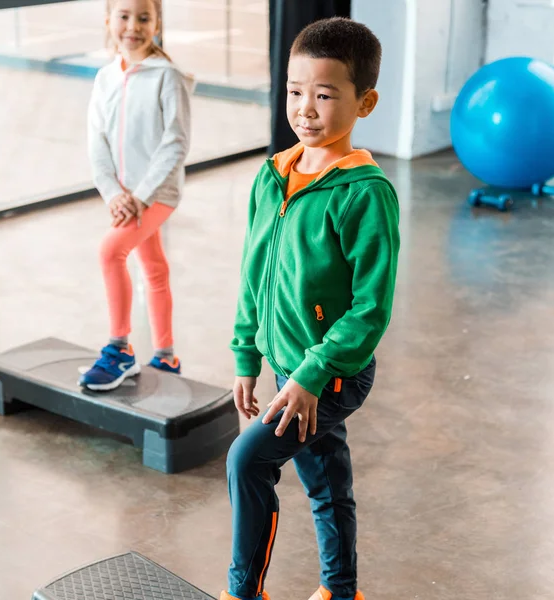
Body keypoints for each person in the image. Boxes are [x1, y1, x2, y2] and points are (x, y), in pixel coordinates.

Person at [223, 17, 401, 600]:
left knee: (248, 462)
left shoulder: (364, 194)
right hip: (282, 362)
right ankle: (342, 591)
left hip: (331, 373)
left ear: (364, 102)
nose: (305, 109)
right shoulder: (272, 176)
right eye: (296, 92)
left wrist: (310, 375)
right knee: (326, 479)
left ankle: (243, 592)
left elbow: (370, 311)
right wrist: (247, 353)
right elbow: (255, 274)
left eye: (325, 95)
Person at [79, 0, 192, 391]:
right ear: (108, 20)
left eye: (144, 17)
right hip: (123, 195)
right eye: (124, 16)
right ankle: (166, 355)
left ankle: (119, 349)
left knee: (111, 252)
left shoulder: (169, 77)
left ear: (157, 22)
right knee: (154, 267)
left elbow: (175, 144)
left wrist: (140, 198)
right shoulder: (105, 78)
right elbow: (97, 143)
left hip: (157, 193)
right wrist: (113, 193)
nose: (133, 26)